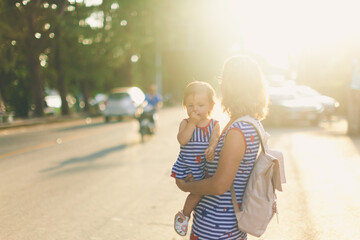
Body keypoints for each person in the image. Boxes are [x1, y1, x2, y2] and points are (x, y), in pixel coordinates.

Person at [176, 55, 268, 239]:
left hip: (217, 230)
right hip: (219, 227)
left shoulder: (238, 130)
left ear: (233, 87)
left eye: (223, 80)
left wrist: (186, 186)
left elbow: (219, 186)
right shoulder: (247, 122)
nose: (221, 85)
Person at [171, 81, 220, 236]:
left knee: (199, 193)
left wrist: (211, 148)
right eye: (190, 106)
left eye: (200, 105)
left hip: (203, 167)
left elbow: (215, 139)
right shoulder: (185, 123)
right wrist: (192, 123)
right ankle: (184, 215)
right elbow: (182, 140)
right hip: (187, 166)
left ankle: (185, 214)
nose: (195, 109)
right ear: (185, 106)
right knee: (198, 192)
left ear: (211, 106)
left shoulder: (214, 124)